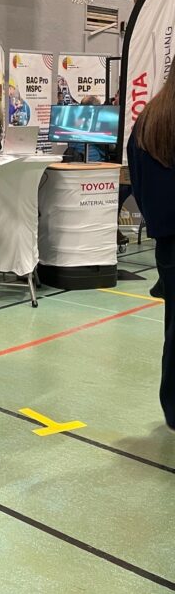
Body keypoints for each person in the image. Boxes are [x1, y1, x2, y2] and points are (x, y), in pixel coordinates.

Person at [126, 70, 175, 431]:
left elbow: (138, 187)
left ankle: (172, 408)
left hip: (168, 241)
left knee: (174, 327)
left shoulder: (148, 121)